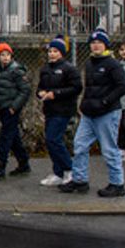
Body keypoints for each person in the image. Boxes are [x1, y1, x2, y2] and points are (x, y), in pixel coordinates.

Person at [60, 29, 125, 197]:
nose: (96, 45)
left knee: (109, 149)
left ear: (105, 44)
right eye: (93, 43)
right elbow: (89, 87)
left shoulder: (113, 64)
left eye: (99, 42)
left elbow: (123, 86)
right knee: (80, 145)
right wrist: (83, 104)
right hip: (89, 113)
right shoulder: (90, 63)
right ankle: (80, 180)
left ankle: (117, 184)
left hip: (107, 113)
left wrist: (105, 101)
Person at [36, 35, 83, 186]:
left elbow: (76, 88)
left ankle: (69, 169)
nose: (52, 54)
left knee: (53, 139)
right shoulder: (45, 69)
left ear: (61, 53)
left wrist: (56, 94)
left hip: (63, 110)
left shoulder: (69, 69)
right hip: (49, 109)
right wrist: (41, 93)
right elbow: (40, 87)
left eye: (55, 51)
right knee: (50, 141)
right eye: (50, 51)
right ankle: (58, 172)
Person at [0, 42, 31, 180]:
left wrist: (14, 106)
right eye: (2, 55)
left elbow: (25, 90)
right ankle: (23, 163)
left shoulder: (16, 70)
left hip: (11, 108)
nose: (5, 57)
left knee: (5, 138)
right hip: (3, 107)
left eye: (7, 55)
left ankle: (0, 167)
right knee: (14, 137)